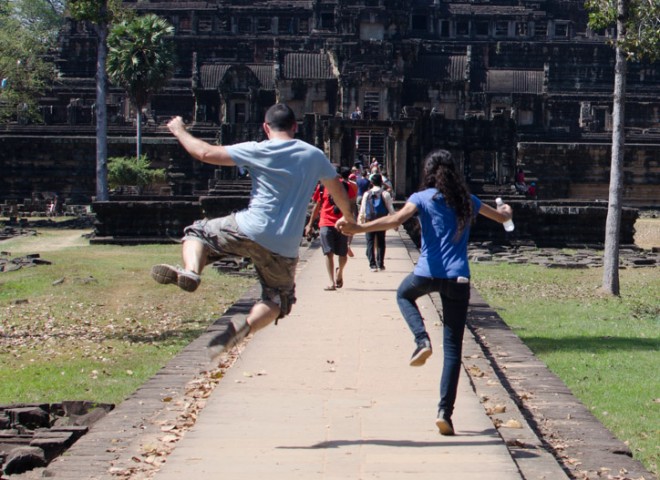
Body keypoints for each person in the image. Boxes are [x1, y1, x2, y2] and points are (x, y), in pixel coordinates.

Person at [152, 103, 356, 356]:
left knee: (198, 232)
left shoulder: (256, 149)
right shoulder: (314, 155)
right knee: (277, 301)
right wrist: (349, 220)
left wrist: (180, 130)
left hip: (248, 229)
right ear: (295, 127)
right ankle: (245, 326)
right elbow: (337, 191)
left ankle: (192, 271)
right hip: (285, 245)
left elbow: (204, 153)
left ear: (265, 128)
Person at [337, 149, 513, 436]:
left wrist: (359, 229)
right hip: (458, 279)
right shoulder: (468, 200)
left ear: (428, 173)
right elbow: (501, 218)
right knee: (454, 350)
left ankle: (421, 339)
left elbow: (395, 221)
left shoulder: (421, 198)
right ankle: (445, 411)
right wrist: (507, 212)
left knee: (404, 295)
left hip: (426, 273)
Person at [304, 166, 357, 290]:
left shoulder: (346, 186)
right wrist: (310, 224)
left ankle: (340, 272)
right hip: (325, 222)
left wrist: (350, 219)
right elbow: (317, 206)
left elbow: (352, 204)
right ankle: (331, 281)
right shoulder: (322, 187)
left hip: (342, 222)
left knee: (343, 254)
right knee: (328, 252)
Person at [359, 173, 395, 272]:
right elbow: (391, 209)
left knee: (370, 242)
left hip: (369, 221)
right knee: (381, 242)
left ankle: (372, 265)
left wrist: (361, 220)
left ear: (371, 182)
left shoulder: (367, 194)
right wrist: (395, 222)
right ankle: (380, 264)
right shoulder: (385, 194)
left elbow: (362, 209)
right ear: (381, 182)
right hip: (382, 221)